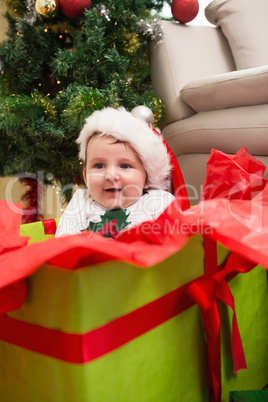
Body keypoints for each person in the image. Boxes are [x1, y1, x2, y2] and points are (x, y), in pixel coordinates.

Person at [55, 107, 175, 238]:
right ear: (85, 176)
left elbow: (177, 242)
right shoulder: (81, 201)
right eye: (99, 166)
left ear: (147, 177)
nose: (111, 176)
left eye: (124, 166)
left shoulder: (157, 201)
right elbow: (64, 243)